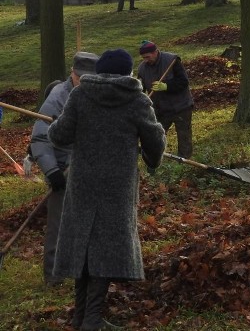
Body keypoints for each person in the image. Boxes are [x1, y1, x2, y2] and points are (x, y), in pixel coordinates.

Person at [48, 48, 165, 331]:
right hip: (117, 186)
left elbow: (59, 136)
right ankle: (90, 319)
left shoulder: (80, 95)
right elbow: (155, 143)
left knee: (84, 247)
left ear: (99, 71)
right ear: (127, 72)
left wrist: (58, 124)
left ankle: (83, 318)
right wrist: (153, 146)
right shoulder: (137, 100)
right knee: (105, 248)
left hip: (83, 183)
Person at [30, 51, 99, 287]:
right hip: (62, 167)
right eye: (80, 77)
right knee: (59, 225)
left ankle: (88, 272)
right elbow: (39, 139)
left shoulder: (97, 94)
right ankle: (53, 275)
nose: (84, 82)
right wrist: (51, 171)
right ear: (72, 73)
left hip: (88, 167)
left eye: (89, 78)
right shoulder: (58, 98)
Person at [137, 40, 194, 158]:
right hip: (160, 109)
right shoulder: (142, 68)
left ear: (156, 52)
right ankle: (154, 160)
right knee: (156, 136)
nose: (146, 60)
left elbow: (183, 82)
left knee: (184, 137)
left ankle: (184, 161)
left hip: (181, 106)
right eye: (143, 58)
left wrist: (166, 86)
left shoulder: (172, 61)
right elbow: (140, 90)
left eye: (147, 57)